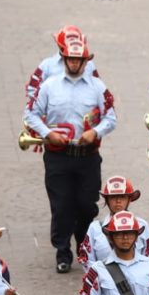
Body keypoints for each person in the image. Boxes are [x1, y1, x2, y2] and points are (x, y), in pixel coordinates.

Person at [22, 36, 117, 274]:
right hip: (58, 155)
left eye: (78, 60)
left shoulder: (98, 87)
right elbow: (30, 114)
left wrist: (95, 132)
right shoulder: (49, 86)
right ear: (64, 59)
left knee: (87, 204)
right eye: (70, 59)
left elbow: (111, 117)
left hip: (87, 156)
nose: (74, 63)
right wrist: (48, 133)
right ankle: (62, 251)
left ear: (86, 62)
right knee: (61, 204)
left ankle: (83, 243)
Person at [77, 176, 149, 270]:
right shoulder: (95, 228)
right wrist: (101, 276)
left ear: (129, 199)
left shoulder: (142, 225)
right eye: (113, 197)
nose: (118, 201)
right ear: (107, 200)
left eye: (122, 197)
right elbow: (86, 260)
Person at [25, 26, 99, 108]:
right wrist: (42, 107)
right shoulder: (47, 65)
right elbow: (32, 88)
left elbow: (97, 89)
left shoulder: (89, 65)